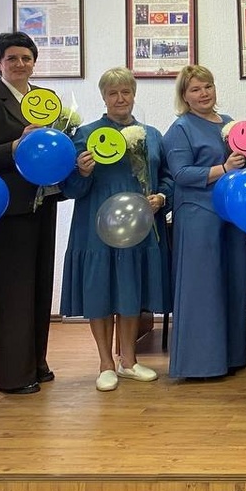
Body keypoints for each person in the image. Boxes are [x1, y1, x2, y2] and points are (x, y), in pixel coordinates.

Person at [60, 67, 170, 392]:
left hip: (139, 227)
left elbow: (166, 177)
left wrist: (162, 197)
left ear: (134, 94)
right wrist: (81, 172)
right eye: (113, 93)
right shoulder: (84, 134)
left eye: (126, 92)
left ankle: (129, 361)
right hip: (95, 225)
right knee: (100, 289)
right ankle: (105, 363)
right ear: (103, 97)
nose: (120, 98)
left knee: (131, 288)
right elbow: (69, 188)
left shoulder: (152, 135)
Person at [0, 32, 61, 394]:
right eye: (12, 58)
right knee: (12, 291)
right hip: (8, 206)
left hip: (43, 201)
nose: (20, 64)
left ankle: (36, 362)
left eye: (26, 58)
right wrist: (15, 145)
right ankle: (11, 375)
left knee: (39, 285)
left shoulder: (46, 101)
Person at [162, 64, 246, 379]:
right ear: (184, 96)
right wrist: (223, 169)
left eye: (207, 86)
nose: (203, 94)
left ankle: (232, 356)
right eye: (195, 89)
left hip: (231, 214)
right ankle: (201, 364)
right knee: (203, 288)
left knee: (232, 283)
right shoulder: (180, 129)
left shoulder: (228, 123)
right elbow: (181, 174)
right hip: (198, 216)